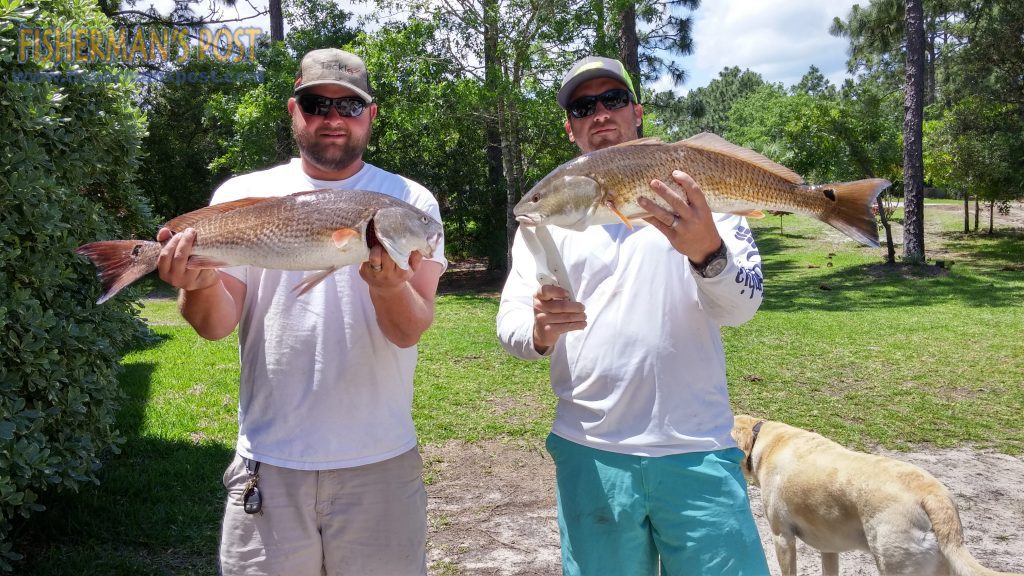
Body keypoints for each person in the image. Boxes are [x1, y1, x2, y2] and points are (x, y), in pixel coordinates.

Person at [156, 48, 446, 576]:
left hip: (379, 461)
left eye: (349, 107)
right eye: (317, 104)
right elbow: (214, 324)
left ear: (371, 115)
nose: (333, 119)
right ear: (294, 110)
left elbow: (410, 331)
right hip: (270, 459)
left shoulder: (410, 202)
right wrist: (195, 283)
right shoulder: (243, 194)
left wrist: (387, 290)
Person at [496, 56, 770, 575]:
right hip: (590, 451)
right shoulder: (544, 220)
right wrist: (535, 331)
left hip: (698, 450)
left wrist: (707, 250)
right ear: (570, 127)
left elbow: (740, 308)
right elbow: (510, 320)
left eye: (613, 100)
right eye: (583, 106)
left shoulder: (695, 192)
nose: (600, 113)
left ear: (637, 112)